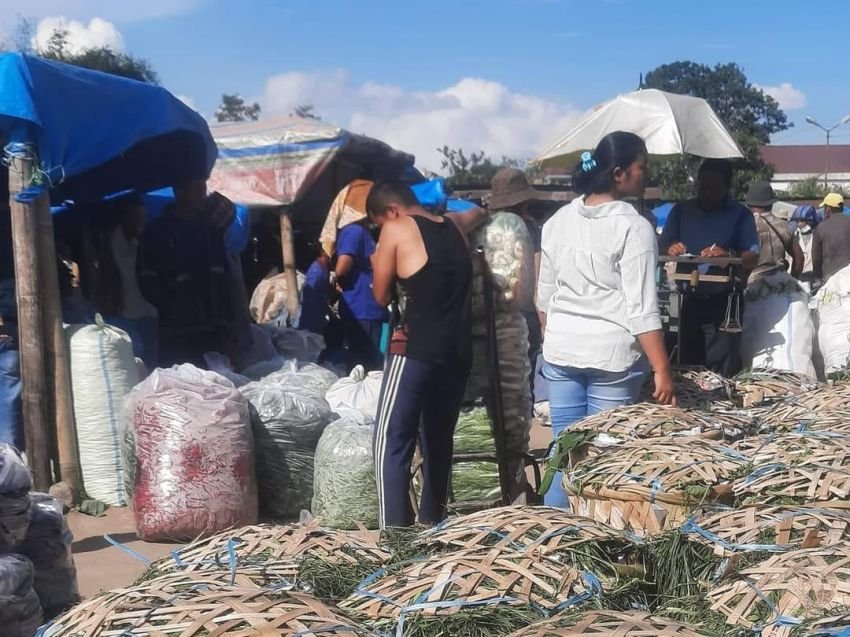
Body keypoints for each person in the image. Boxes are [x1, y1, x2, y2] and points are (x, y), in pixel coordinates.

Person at [537, 132, 675, 509]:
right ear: (619, 173)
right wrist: (662, 368)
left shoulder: (557, 221)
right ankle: (595, 549)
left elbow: (543, 301)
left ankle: (556, 543)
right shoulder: (634, 227)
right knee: (604, 462)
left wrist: (563, 336)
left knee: (563, 451)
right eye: (641, 168)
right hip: (610, 358)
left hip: (562, 352)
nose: (645, 175)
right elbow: (642, 307)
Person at [367, 181, 488, 528]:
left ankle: (395, 538)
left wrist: (379, 259)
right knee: (437, 441)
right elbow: (474, 215)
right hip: (456, 353)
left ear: (391, 211)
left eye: (378, 223)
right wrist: (484, 210)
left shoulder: (396, 228)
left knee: (390, 442)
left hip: (414, 350)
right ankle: (433, 522)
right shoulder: (453, 224)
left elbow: (379, 296)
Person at [659, 159, 759, 376]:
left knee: (721, 367)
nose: (707, 193)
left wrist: (728, 254)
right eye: (703, 187)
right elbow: (661, 246)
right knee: (686, 365)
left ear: (727, 187)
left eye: (714, 189)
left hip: (723, 301)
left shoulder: (740, 215)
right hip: (687, 299)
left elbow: (753, 257)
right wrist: (671, 247)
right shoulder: (682, 211)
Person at [138, 180, 239, 367]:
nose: (203, 195)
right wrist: (174, 308)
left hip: (214, 331)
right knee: (180, 389)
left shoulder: (211, 231)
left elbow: (224, 278)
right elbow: (147, 281)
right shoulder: (157, 232)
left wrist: (229, 322)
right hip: (178, 334)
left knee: (218, 388)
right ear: (179, 191)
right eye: (197, 190)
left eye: (203, 189)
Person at [489, 168, 543, 391]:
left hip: (492, 313)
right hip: (524, 312)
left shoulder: (484, 227)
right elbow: (538, 273)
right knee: (522, 377)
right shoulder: (531, 229)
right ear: (524, 202)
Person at [92, 195, 160, 367]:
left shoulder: (139, 243)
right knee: (133, 361)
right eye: (136, 218)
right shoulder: (116, 241)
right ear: (125, 219)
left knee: (149, 362)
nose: (141, 223)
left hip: (147, 311)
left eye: (143, 218)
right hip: (126, 313)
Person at [745, 181, 803, 280]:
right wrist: (793, 281)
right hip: (780, 283)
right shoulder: (785, 226)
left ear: (749, 204)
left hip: (753, 285)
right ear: (771, 204)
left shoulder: (745, 227)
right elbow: (799, 259)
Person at [813, 193, 850, 285]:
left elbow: (816, 258)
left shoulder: (821, 227)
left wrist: (818, 278)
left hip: (831, 280)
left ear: (828, 209)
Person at [790, 205, 819, 283]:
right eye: (797, 221)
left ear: (809, 221)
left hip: (813, 277)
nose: (799, 224)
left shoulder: (817, 236)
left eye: (801, 221)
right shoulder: (795, 236)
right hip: (798, 277)